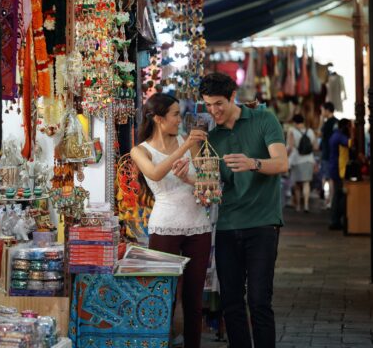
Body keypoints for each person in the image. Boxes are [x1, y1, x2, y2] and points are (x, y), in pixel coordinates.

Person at [177, 73, 288, 348]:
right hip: (227, 226)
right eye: (208, 105)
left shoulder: (264, 119)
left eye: (218, 104)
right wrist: (190, 174)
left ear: (232, 97)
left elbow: (281, 163)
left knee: (260, 300)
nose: (213, 110)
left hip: (263, 223)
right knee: (231, 302)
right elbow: (212, 186)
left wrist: (253, 163)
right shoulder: (211, 138)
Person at [130, 93, 212, 348]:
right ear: (158, 118)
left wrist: (189, 178)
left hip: (198, 226)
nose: (180, 119)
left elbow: (209, 184)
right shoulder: (139, 150)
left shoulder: (190, 142)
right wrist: (185, 147)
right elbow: (154, 173)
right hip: (165, 227)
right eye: (175, 114)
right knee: (162, 296)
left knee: (194, 299)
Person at [287, 114, 318, 212]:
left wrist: (285, 156)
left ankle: (298, 206)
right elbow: (315, 146)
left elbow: (290, 147)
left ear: (294, 122)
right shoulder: (310, 131)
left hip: (296, 160)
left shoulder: (292, 131)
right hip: (309, 160)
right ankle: (306, 205)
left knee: (296, 184)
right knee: (306, 183)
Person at [328, 118, 353, 230]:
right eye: (349, 126)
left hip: (337, 168)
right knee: (339, 195)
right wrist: (353, 132)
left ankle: (335, 219)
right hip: (339, 169)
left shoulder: (336, 135)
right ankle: (336, 220)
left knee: (337, 195)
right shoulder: (339, 136)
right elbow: (349, 143)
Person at [319, 102, 338, 208]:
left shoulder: (327, 124)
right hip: (335, 154)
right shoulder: (336, 122)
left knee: (327, 178)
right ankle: (331, 200)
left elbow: (320, 134)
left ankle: (328, 200)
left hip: (327, 154)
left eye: (322, 110)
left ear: (327, 110)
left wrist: (321, 121)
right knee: (332, 179)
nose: (322, 113)